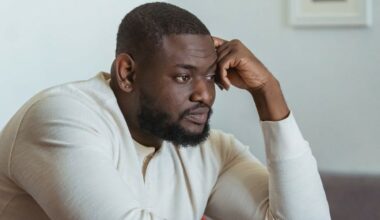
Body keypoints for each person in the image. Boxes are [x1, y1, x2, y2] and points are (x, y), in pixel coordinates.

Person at [0, 2, 330, 220]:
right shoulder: (61, 117)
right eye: (184, 77)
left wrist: (267, 91)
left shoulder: (209, 149)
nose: (205, 94)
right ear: (127, 73)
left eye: (211, 76)